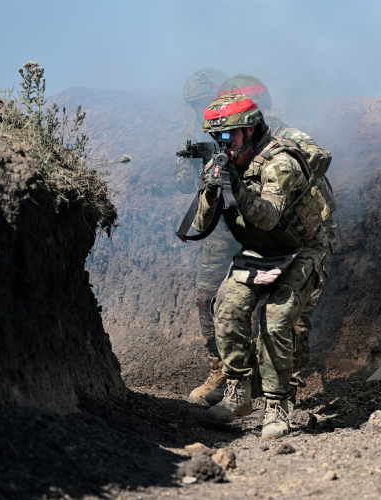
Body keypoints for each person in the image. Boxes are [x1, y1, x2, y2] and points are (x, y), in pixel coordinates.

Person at [193, 93, 331, 438]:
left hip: (301, 250)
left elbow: (268, 217)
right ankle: (238, 394)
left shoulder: (280, 163)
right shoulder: (223, 162)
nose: (223, 144)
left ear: (251, 131)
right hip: (259, 251)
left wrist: (235, 185)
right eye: (217, 137)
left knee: (276, 321)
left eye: (230, 136)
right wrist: (211, 188)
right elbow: (199, 223)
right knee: (226, 308)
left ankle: (277, 407)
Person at [213, 75, 339, 400]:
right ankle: (247, 385)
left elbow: (320, 156)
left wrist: (283, 168)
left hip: (308, 231)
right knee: (236, 307)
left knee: (292, 317)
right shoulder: (232, 145)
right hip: (267, 232)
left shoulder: (282, 136)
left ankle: (287, 393)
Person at [173, 68, 240, 404]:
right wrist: (198, 166)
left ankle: (259, 376)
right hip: (217, 228)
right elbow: (184, 182)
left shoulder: (243, 121)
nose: (200, 109)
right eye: (194, 103)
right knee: (207, 298)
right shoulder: (195, 129)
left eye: (204, 101)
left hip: (253, 221)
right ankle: (219, 370)